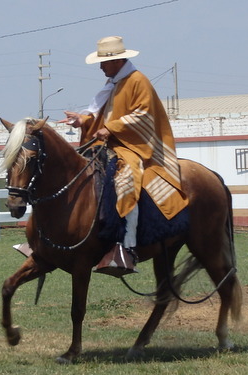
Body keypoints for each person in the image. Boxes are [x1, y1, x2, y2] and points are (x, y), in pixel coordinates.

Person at [59, 36, 189, 276]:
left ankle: (126, 245)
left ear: (117, 60)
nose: (100, 67)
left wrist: (111, 128)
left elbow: (143, 115)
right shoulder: (115, 84)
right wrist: (82, 120)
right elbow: (103, 114)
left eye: (103, 62)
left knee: (125, 179)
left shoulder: (138, 81)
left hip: (135, 146)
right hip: (110, 143)